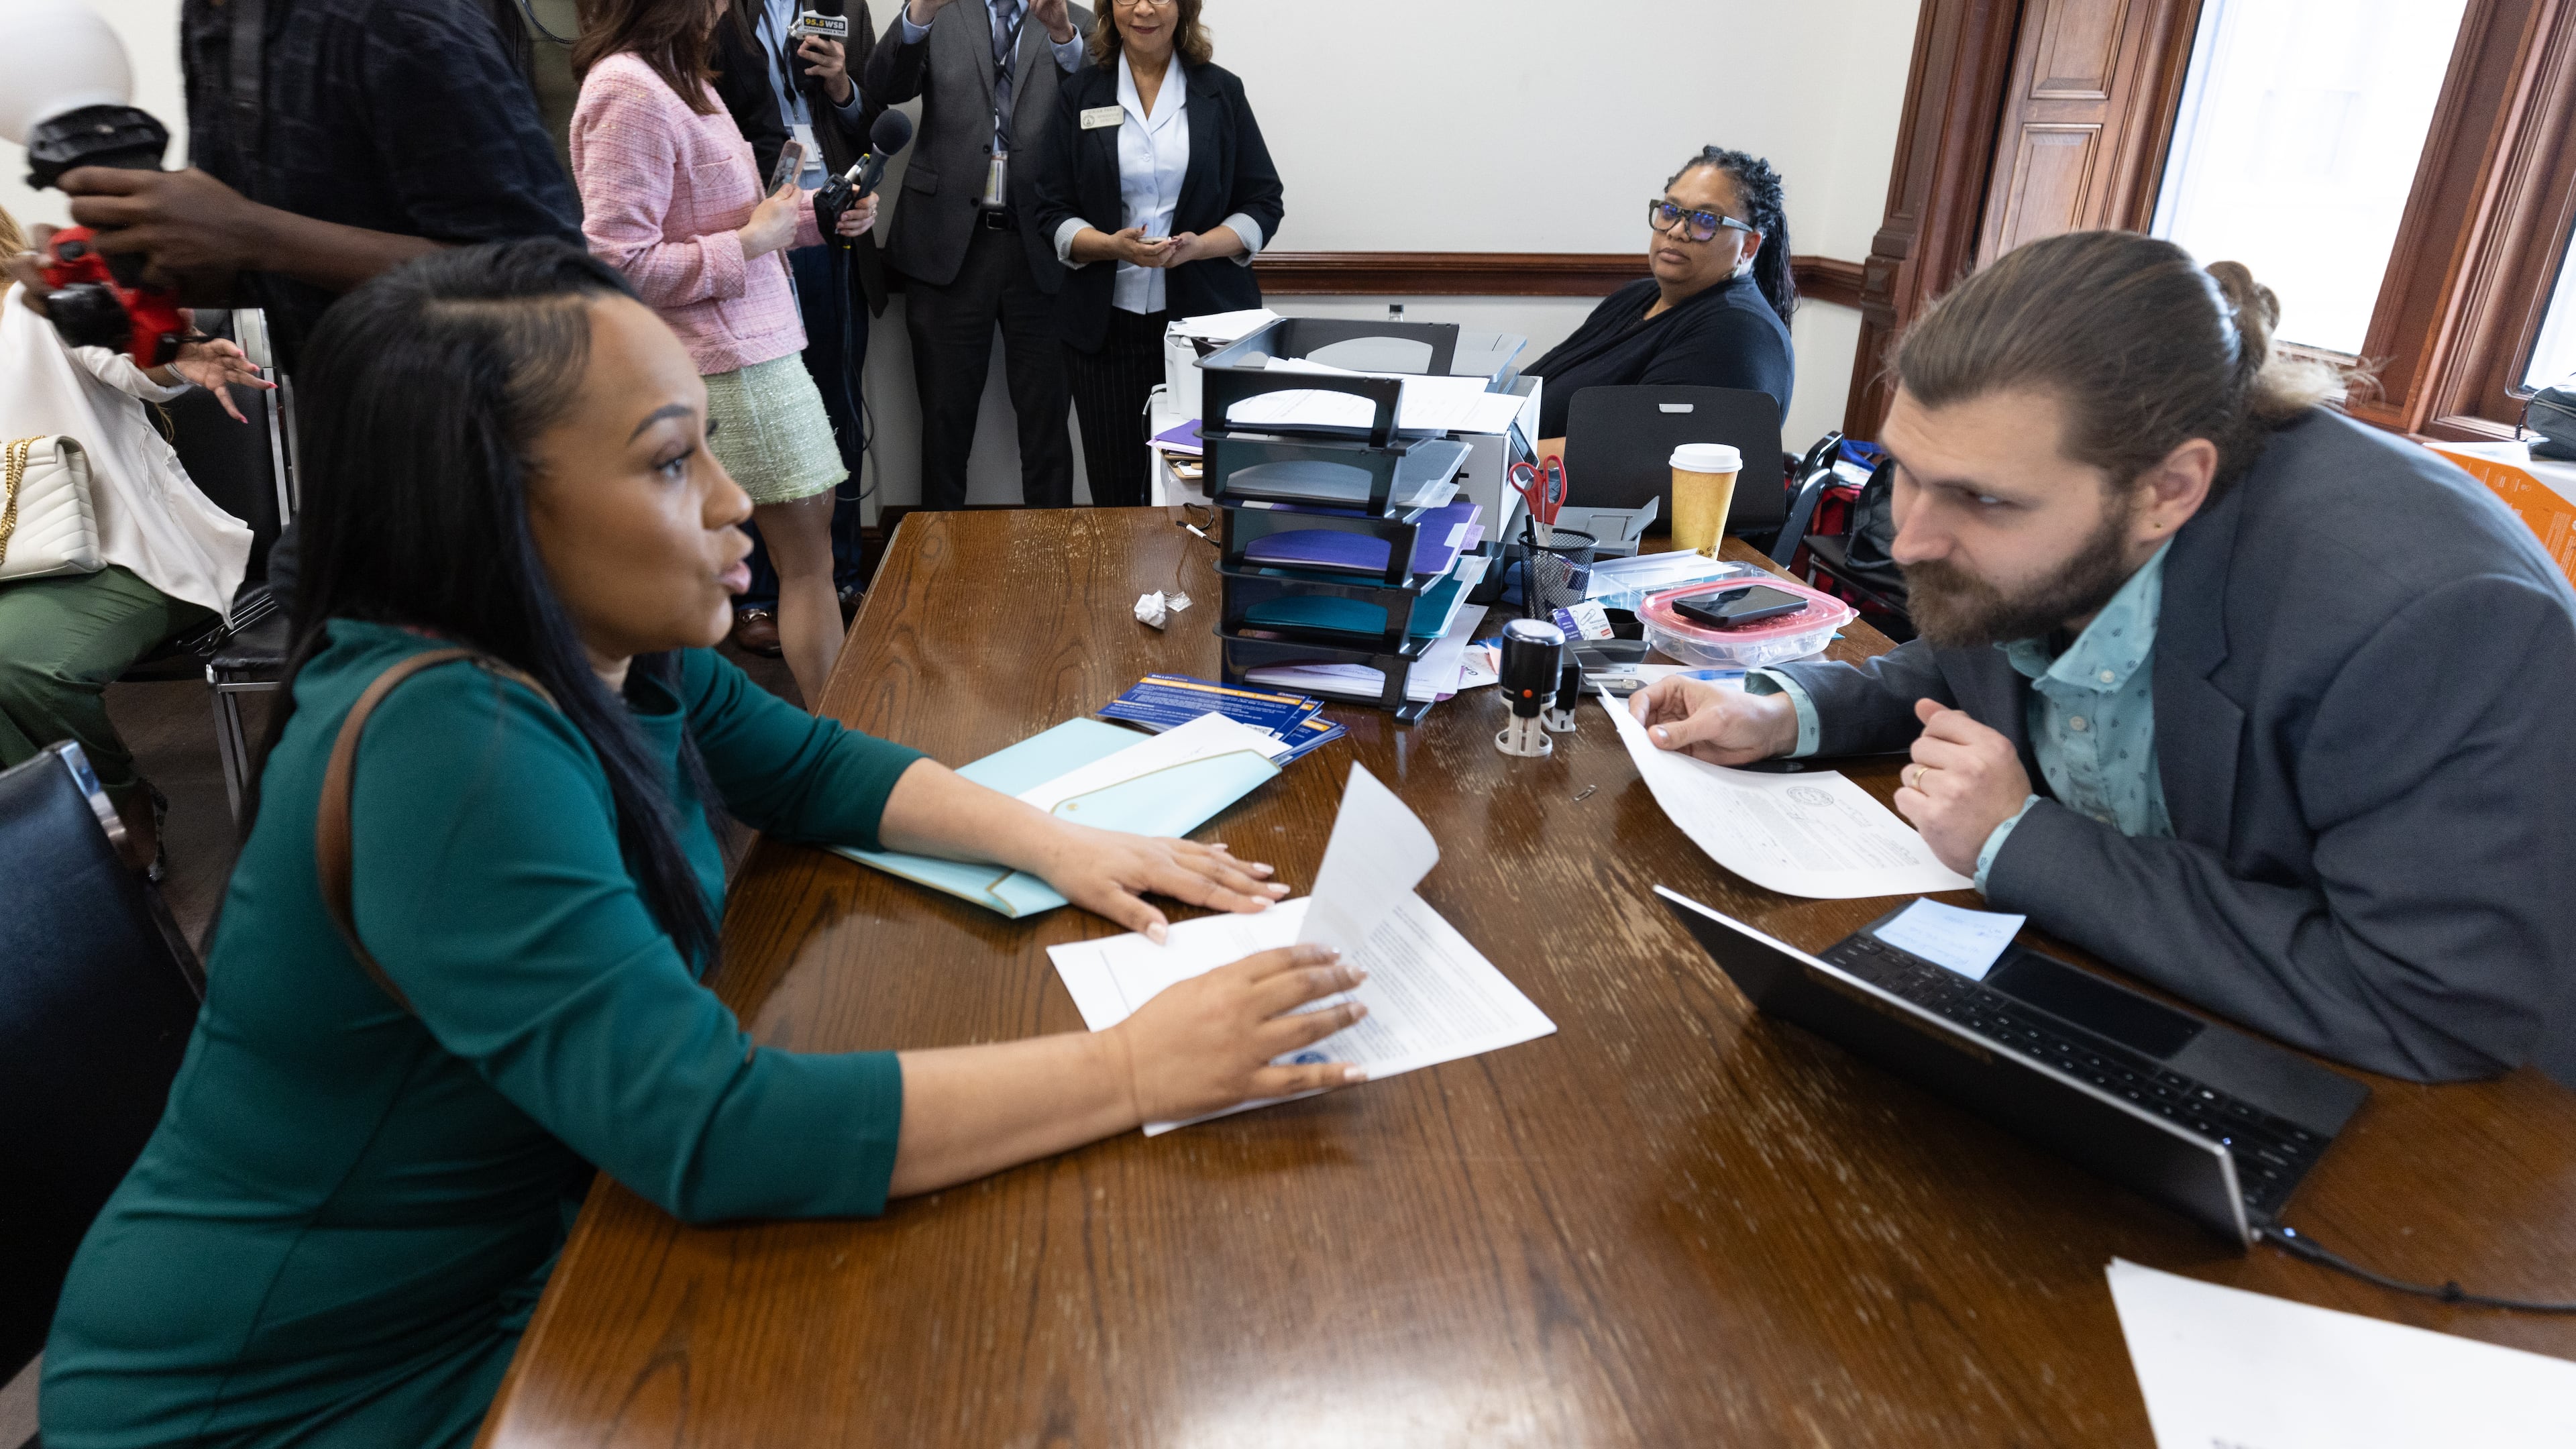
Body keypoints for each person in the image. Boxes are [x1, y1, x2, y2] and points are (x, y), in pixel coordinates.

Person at [38, 239, 1366, 1448]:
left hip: (513, 1278)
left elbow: (809, 767)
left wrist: (1057, 841)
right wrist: (1139, 1066)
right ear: (497, 506)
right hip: (287, 1393)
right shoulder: (450, 745)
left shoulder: (602, 653)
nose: (737, 501)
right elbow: (718, 1131)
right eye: (675, 461)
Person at [1629, 229, 2576, 1085]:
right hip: (2116, 1002)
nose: (1911, 539)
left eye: (1981, 501)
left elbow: (2434, 1003)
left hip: (2413, 1130)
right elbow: (1986, 642)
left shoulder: (2438, 620)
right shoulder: (2040, 523)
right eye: (1907, 473)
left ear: (2170, 489)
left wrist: (2018, 839)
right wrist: (1791, 710)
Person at [571, 0, 878, 706]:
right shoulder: (628, 88)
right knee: (804, 565)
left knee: (809, 560)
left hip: (757, 344)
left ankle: (836, 748)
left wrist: (819, 215)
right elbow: (620, 262)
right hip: (725, 359)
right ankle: (841, 751)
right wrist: (750, 244)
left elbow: (740, 213)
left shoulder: (686, 79)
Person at [0, 205, 268, 875]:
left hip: (131, 557)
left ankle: (118, 814)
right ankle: (45, 842)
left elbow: (132, 363)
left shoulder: (40, 308)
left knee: (19, 661)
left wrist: (182, 359)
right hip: (15, 569)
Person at [1031, 0, 1282, 506]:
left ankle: (1198, 589)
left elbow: (1263, 203)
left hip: (1205, 328)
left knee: (1201, 490)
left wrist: (1198, 248)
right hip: (1106, 329)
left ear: (1184, 8)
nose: (1143, 9)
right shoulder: (1081, 94)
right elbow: (1049, 209)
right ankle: (1127, 590)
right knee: (1119, 492)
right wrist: (1108, 246)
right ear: (1107, 9)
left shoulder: (1220, 91)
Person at [863, 0, 1091, 511]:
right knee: (943, 425)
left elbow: (1099, 110)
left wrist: (1063, 36)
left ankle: (1051, 567)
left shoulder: (1078, 21)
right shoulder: (938, 10)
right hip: (945, 246)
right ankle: (938, 574)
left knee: (1047, 425)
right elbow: (883, 88)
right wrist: (918, 14)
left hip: (1044, 246)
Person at [712, 0, 887, 655]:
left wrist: (841, 84)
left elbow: (876, 121)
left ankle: (840, 576)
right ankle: (756, 592)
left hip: (835, 225)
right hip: (756, 237)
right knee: (757, 418)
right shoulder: (716, 12)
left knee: (836, 407)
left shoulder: (841, 6)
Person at [1526, 146, 1796, 451]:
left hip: (1581, 494)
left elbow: (1630, 454)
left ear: (1749, 246)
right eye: (1670, 211)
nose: (1677, 231)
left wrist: (1492, 457)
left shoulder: (1737, 333)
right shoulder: (1637, 296)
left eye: (1706, 220)